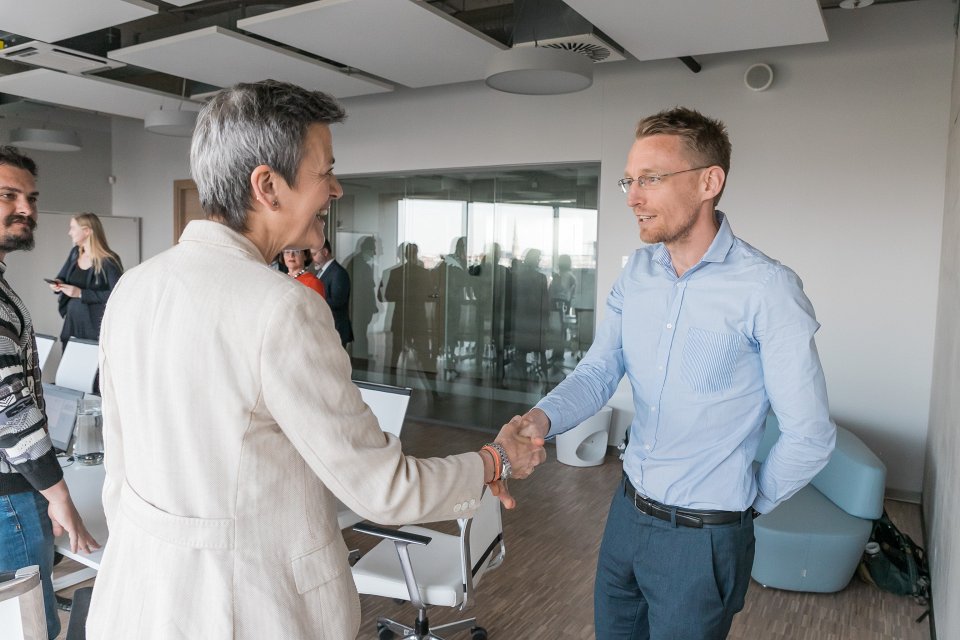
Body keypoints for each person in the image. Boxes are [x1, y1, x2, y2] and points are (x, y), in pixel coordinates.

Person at [85, 80, 545, 640]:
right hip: (248, 613)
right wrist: (495, 460)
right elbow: (383, 490)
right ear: (267, 186)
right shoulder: (282, 307)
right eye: (324, 171)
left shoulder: (133, 287)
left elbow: (119, 473)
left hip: (137, 603)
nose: (336, 188)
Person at [513, 107, 837, 639]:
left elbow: (810, 437)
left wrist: (742, 508)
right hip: (626, 514)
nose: (632, 197)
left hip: (703, 538)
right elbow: (598, 372)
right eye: (630, 180)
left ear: (710, 182)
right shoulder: (637, 273)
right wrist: (539, 421)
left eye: (651, 179)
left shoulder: (768, 288)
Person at [0, 146, 99, 640]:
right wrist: (58, 497)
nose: (27, 209)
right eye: (9, 195)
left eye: (32, 198)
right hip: (9, 497)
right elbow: (9, 412)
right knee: (29, 631)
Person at [48, 212, 123, 349]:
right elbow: (62, 276)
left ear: (87, 231)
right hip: (72, 323)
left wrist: (81, 293)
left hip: (94, 328)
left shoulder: (109, 261)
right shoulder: (75, 253)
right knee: (69, 368)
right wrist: (57, 283)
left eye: (73, 228)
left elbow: (118, 295)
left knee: (92, 369)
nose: (69, 233)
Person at [313, 240, 353, 347]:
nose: (312, 259)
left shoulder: (338, 273)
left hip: (336, 329)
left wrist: (312, 300)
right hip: (327, 329)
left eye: (314, 254)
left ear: (325, 252)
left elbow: (338, 302)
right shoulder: (323, 271)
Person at [343, 235, 377, 360]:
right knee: (360, 334)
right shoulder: (359, 264)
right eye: (373, 249)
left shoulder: (356, 262)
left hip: (358, 307)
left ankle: (359, 357)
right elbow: (367, 290)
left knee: (360, 333)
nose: (375, 253)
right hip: (359, 308)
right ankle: (360, 358)